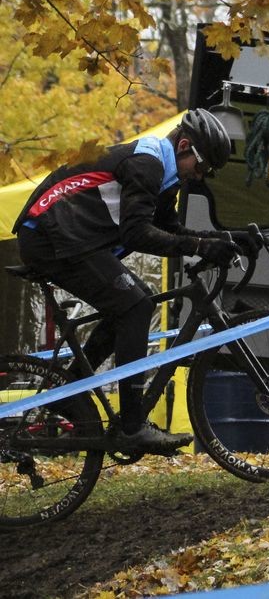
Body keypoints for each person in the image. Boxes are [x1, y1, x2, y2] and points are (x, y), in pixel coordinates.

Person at [13, 109, 255, 453]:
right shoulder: (148, 163)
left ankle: (68, 391)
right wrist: (201, 246)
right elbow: (138, 233)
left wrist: (229, 237)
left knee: (130, 305)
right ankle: (131, 426)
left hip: (70, 237)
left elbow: (170, 230)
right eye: (201, 168)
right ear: (184, 146)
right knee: (137, 305)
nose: (200, 177)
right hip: (51, 236)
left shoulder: (164, 172)